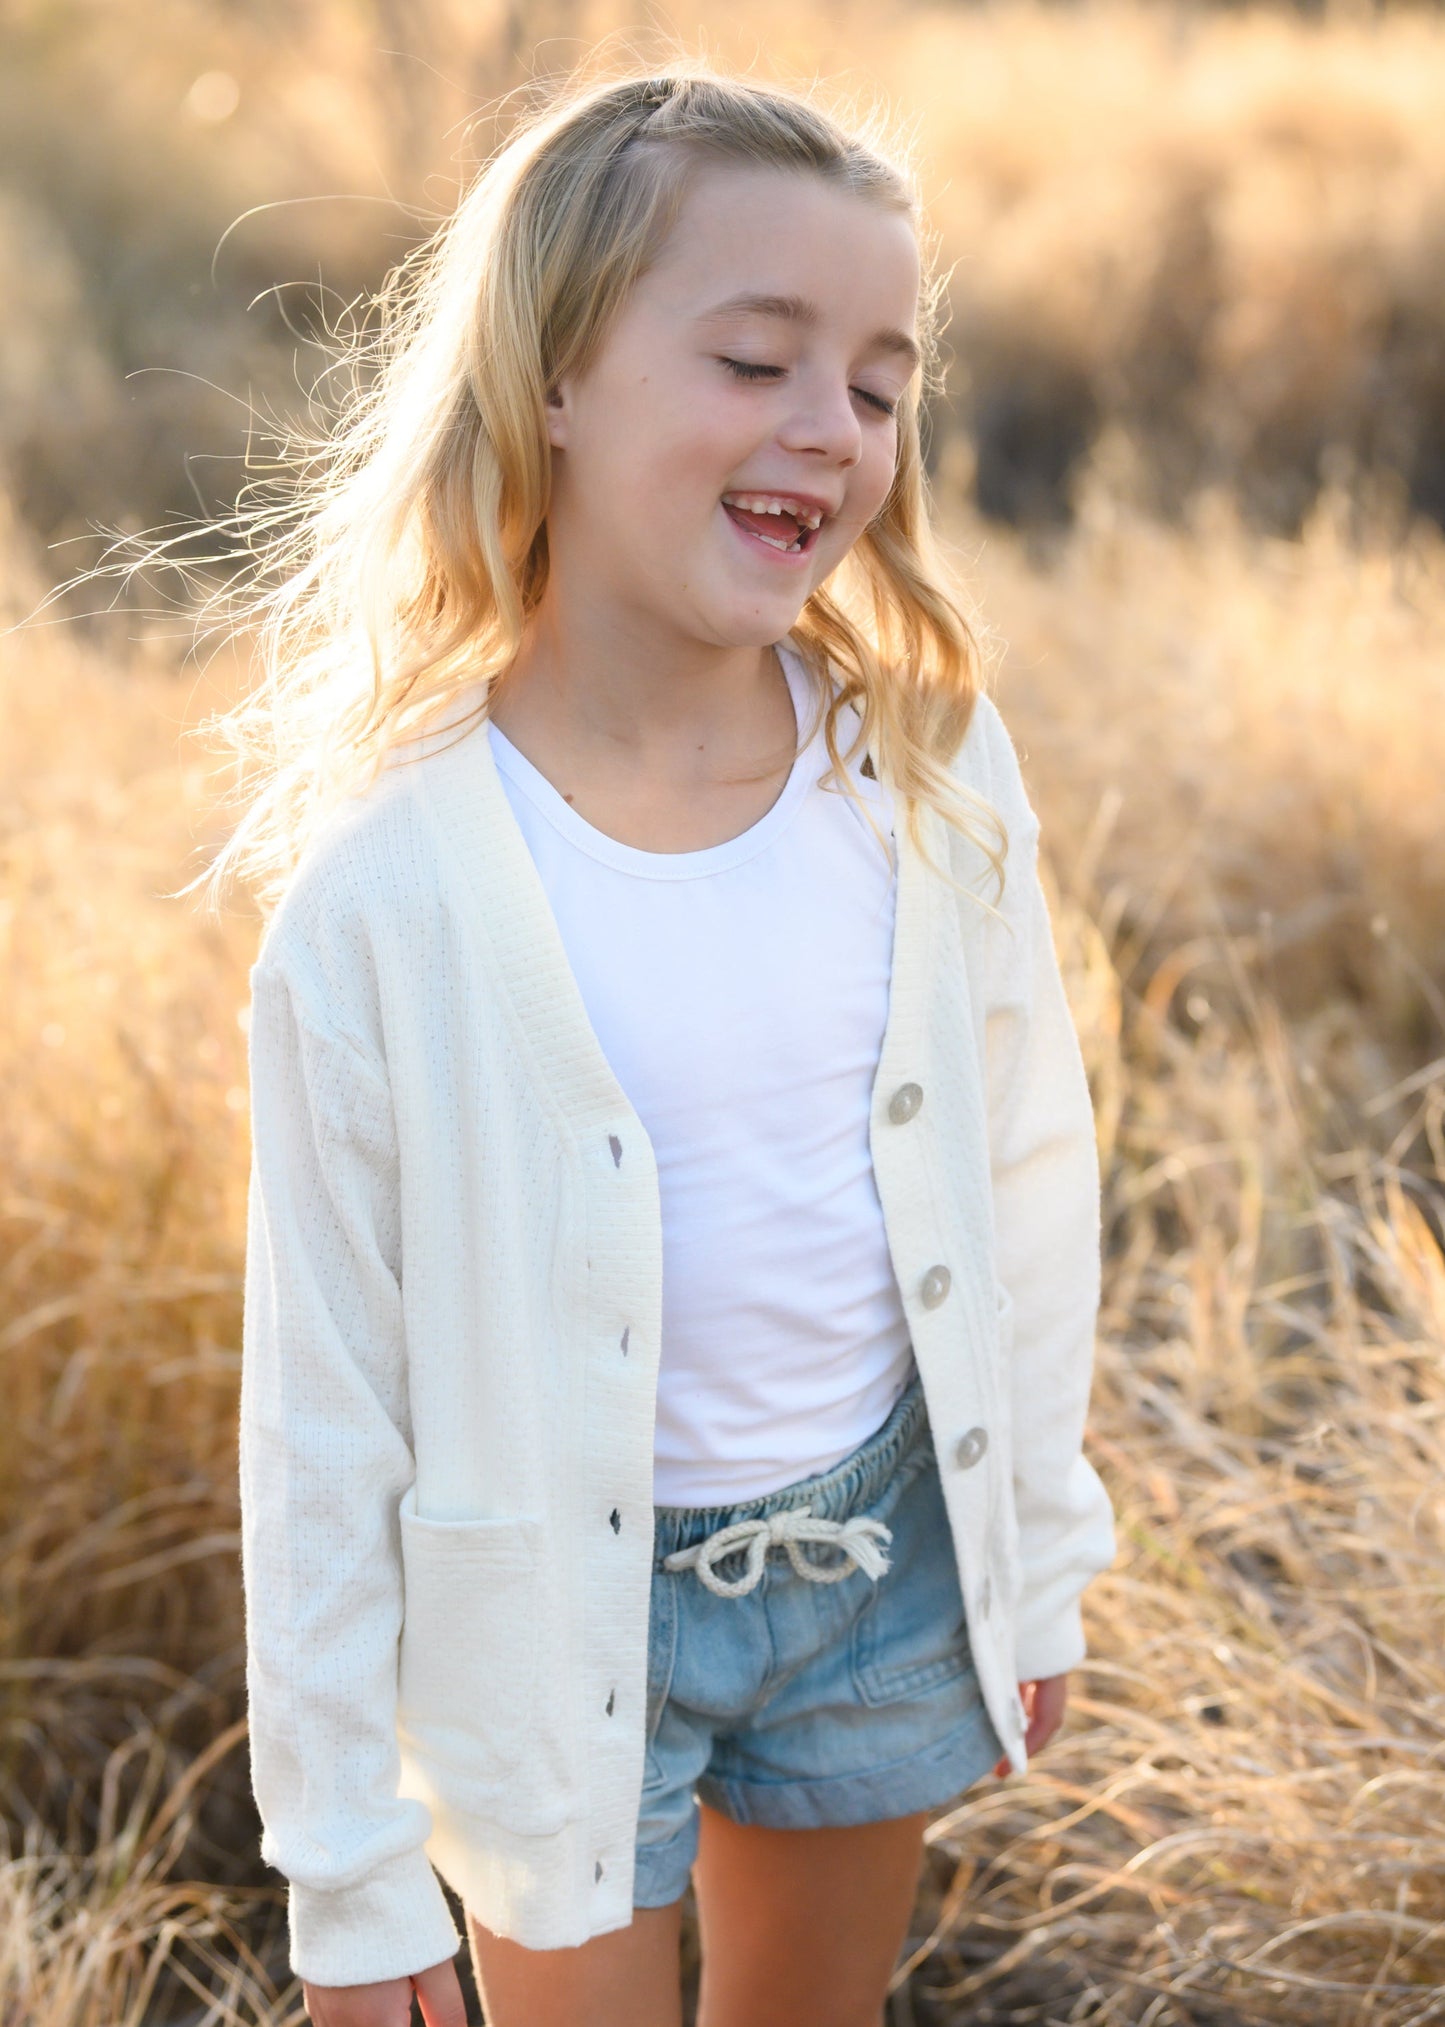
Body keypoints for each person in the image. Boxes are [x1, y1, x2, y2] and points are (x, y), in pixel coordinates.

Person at [223, 58, 1117, 2027]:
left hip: (880, 1556)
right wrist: (353, 1886)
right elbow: (319, 1425)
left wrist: (1030, 1548)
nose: (832, 428)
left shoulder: (929, 769)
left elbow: (1033, 1168)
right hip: (549, 1611)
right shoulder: (392, 895)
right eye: (756, 359)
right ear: (552, 374)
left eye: (879, 384)